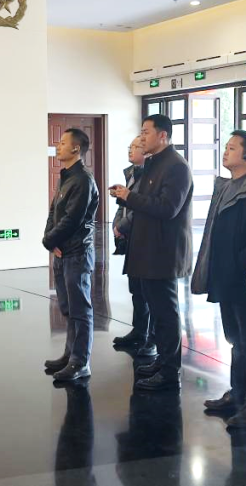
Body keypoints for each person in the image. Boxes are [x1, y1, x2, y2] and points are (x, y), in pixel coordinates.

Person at [191, 130, 246, 428]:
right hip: (226, 277)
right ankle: (238, 394)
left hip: (245, 278)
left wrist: (240, 266)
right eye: (226, 147)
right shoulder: (228, 186)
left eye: (232, 148)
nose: (225, 152)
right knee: (235, 340)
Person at [110, 114, 193, 391]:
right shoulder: (154, 164)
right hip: (147, 249)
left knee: (166, 314)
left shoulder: (176, 166)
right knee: (157, 312)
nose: (142, 137)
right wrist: (127, 197)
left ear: (163, 136)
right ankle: (162, 361)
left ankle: (170, 371)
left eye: (146, 132)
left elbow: (168, 208)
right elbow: (146, 204)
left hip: (163, 252)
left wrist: (129, 197)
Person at [42, 128, 101, 382]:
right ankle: (70, 355)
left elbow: (73, 219)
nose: (58, 145)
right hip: (62, 252)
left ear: (76, 148)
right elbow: (54, 212)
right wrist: (50, 240)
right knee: (68, 308)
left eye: (63, 142)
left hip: (77, 253)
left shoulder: (83, 180)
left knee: (80, 310)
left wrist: (49, 240)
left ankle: (80, 362)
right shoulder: (66, 177)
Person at [113, 137, 156, 358]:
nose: (131, 150)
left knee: (150, 294)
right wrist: (116, 224)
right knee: (136, 291)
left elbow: (140, 207)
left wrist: (122, 225)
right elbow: (125, 205)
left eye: (136, 147)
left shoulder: (150, 175)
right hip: (131, 239)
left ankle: (152, 338)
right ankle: (139, 331)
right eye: (129, 146)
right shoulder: (132, 173)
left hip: (145, 240)